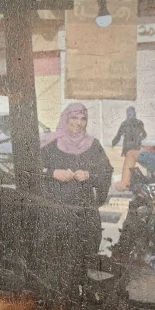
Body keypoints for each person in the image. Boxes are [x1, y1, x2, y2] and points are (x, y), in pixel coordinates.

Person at [41, 103, 113, 251]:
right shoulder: (51, 145)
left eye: (83, 119)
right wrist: (53, 173)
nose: (79, 123)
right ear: (65, 119)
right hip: (56, 212)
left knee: (85, 252)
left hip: (85, 213)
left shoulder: (93, 145)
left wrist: (89, 175)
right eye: (74, 118)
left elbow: (106, 171)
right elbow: (31, 170)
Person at [112, 106, 148, 191]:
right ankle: (126, 182)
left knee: (128, 165)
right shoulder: (138, 122)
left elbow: (118, 136)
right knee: (131, 164)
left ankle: (126, 182)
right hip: (135, 146)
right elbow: (144, 134)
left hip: (128, 147)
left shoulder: (125, 123)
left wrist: (113, 143)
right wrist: (139, 139)